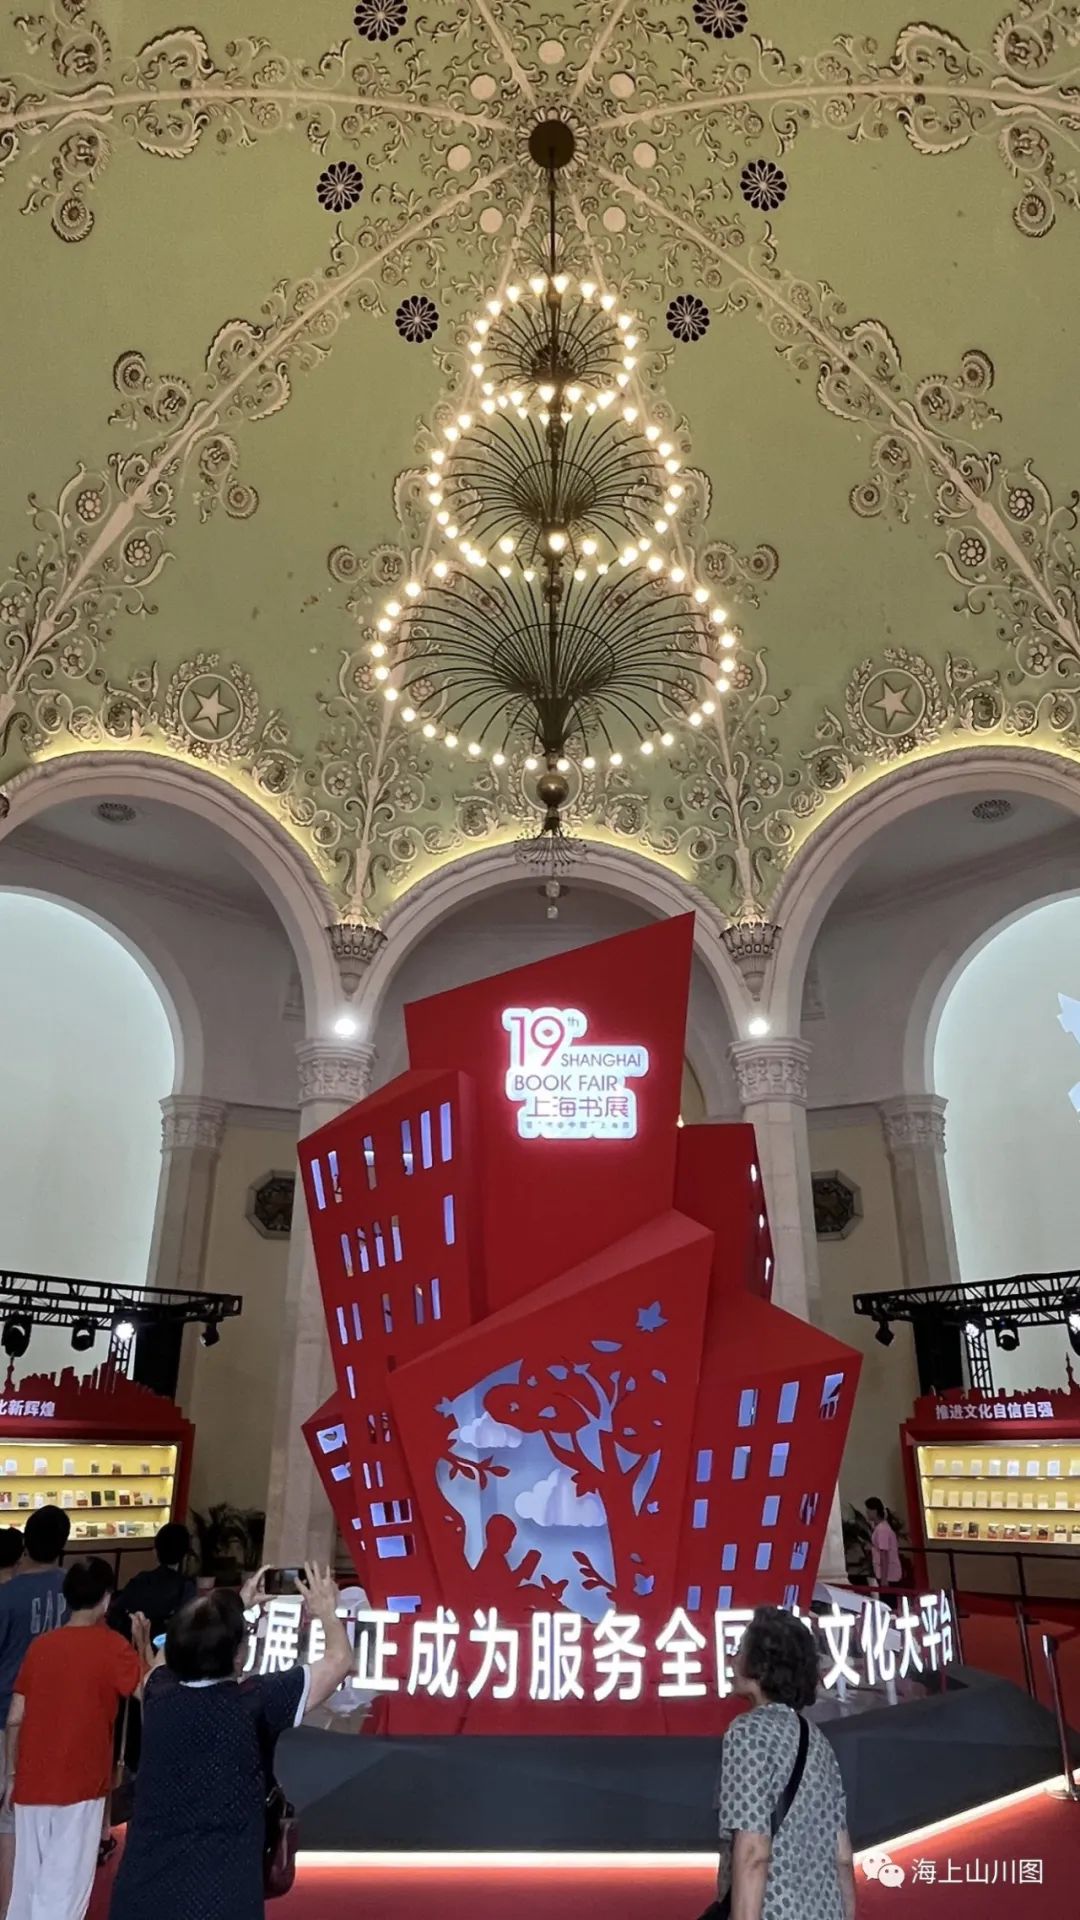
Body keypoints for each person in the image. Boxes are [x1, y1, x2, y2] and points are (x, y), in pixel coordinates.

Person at [109, 1562, 354, 1920]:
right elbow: (339, 1660)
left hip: (141, 1895)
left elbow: (163, 1659)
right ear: (239, 1655)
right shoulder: (256, 1701)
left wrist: (236, 1605)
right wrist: (326, 1612)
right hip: (222, 1896)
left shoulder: (157, 1692)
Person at [4, 1557, 143, 1920]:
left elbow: (16, 1717)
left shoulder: (41, 1646)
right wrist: (143, 1642)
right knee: (65, 1887)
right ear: (106, 1598)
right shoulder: (112, 1646)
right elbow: (148, 1690)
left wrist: (12, 1774)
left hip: (31, 1781)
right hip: (81, 1782)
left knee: (28, 1883)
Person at [715, 1606, 855, 1920]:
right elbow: (842, 1856)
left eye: (740, 1651)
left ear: (761, 1666)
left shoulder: (747, 1734)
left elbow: (753, 1852)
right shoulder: (816, 1739)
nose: (732, 1659)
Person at [0, 1510, 70, 1919]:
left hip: (7, 1714)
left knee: (9, 1818)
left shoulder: (8, 1596)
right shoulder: (74, 1589)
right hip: (60, 1718)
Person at [109, 1526, 194, 1641]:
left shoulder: (140, 1580)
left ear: (155, 1551)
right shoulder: (186, 1588)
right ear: (185, 1554)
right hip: (168, 1645)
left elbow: (117, 1610)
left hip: (135, 1642)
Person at [865, 1496, 902, 1603]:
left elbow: (884, 1554)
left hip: (888, 1575)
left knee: (888, 1602)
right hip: (885, 1573)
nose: (867, 1513)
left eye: (868, 1510)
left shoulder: (882, 1530)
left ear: (874, 1511)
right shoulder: (881, 1528)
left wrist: (884, 1578)